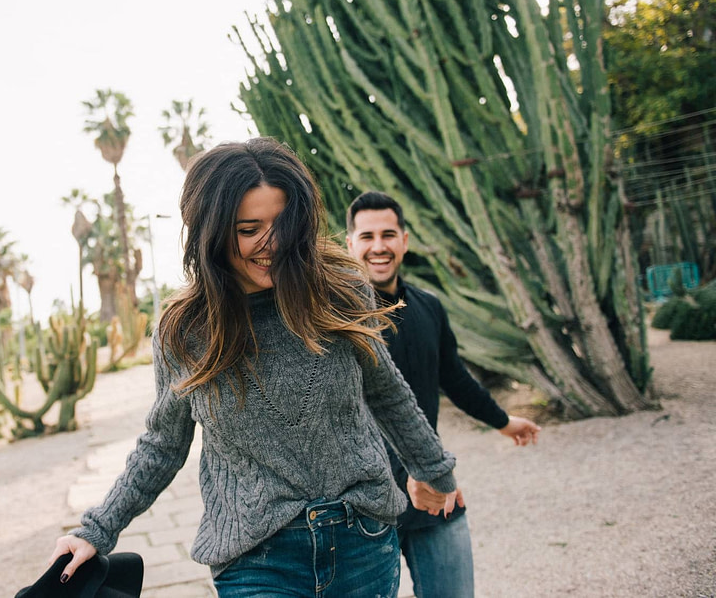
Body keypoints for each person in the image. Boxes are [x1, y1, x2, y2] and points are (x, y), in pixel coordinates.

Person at [48, 138, 458, 597]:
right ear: (213, 232)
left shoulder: (340, 291)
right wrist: (96, 529)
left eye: (284, 223)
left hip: (361, 541)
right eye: (248, 229)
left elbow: (387, 391)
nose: (273, 244)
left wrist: (433, 469)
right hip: (255, 559)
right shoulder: (184, 330)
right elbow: (163, 444)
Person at [345, 190, 542, 598]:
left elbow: (454, 377)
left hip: (432, 492)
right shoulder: (337, 316)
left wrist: (504, 422)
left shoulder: (428, 307)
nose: (378, 246)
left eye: (388, 234)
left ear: (405, 240)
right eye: (366, 237)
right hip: (361, 506)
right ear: (350, 244)